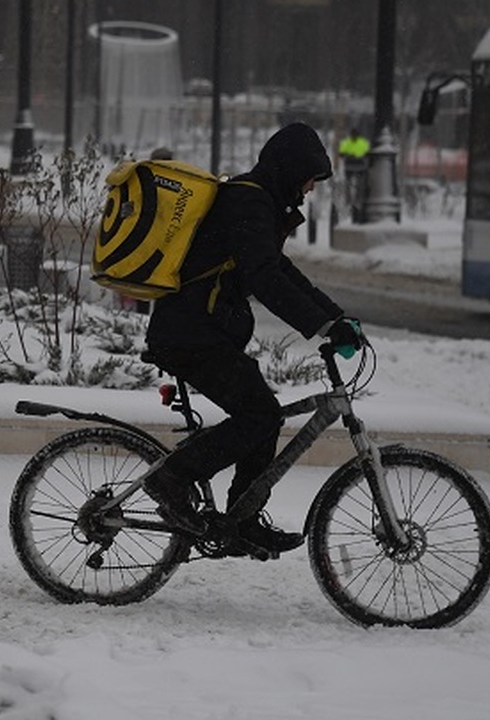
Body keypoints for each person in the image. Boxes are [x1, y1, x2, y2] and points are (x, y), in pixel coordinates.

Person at [141, 122, 363, 559]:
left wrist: (334, 317)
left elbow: (280, 270)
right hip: (189, 333)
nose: (310, 189)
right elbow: (263, 278)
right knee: (259, 414)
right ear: (292, 169)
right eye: (309, 179)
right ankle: (171, 479)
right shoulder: (249, 200)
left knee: (263, 412)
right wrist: (321, 326)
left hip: (199, 331)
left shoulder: (257, 201)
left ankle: (241, 520)